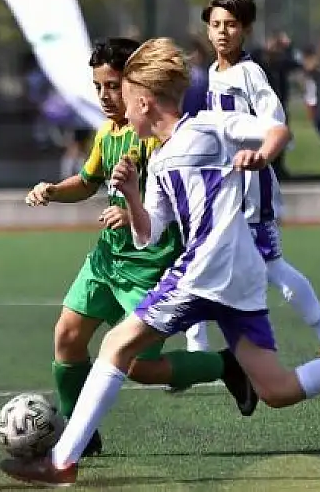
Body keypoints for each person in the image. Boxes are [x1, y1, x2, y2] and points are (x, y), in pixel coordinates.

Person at [0, 38, 320, 486]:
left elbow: (277, 130)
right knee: (276, 389)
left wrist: (261, 155)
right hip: (237, 278)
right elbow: (147, 234)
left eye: (126, 101)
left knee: (116, 346)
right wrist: (132, 195)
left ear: (145, 103)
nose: (120, 112)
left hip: (206, 268)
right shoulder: (159, 157)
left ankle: (61, 463)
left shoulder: (209, 126)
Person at [25, 38, 255, 457]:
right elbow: (88, 181)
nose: (105, 96)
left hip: (150, 267)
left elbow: (172, 204)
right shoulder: (106, 133)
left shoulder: (157, 138)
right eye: (98, 87)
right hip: (107, 260)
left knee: (141, 368)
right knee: (67, 336)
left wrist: (132, 215)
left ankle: (226, 365)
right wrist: (55, 190)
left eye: (113, 86)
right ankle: (80, 433)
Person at [181, 0, 320, 363]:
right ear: (207, 30)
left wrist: (262, 157)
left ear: (246, 30)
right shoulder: (209, 74)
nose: (223, 32)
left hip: (250, 193)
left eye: (231, 25)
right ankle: (197, 353)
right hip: (216, 191)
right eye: (216, 25)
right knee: (195, 259)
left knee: (272, 269)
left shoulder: (251, 73)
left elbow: (276, 125)